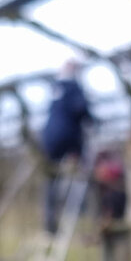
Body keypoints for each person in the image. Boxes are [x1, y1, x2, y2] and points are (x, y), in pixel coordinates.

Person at [40, 59, 92, 234]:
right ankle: (81, 209)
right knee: (81, 167)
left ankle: (49, 220)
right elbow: (81, 109)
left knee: (50, 179)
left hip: (49, 137)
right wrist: (92, 119)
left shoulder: (55, 87)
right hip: (69, 137)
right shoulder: (73, 86)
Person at [92, 150, 129, 261]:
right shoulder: (108, 192)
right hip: (109, 234)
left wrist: (98, 231)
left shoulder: (114, 194)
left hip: (117, 234)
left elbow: (108, 219)